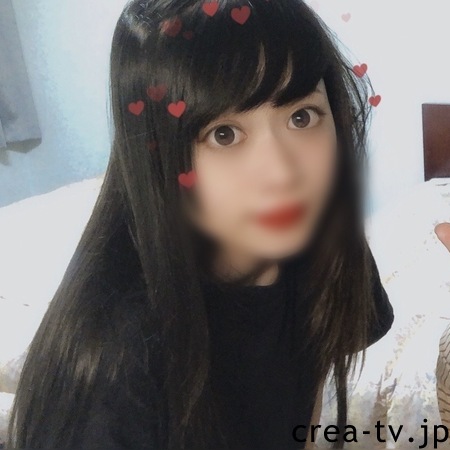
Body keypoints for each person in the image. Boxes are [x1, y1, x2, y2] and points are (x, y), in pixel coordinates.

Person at [6, 0, 396, 449]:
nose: (283, 173)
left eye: (301, 117)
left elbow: (303, 393)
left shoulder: (320, 242)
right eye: (224, 134)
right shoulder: (115, 370)